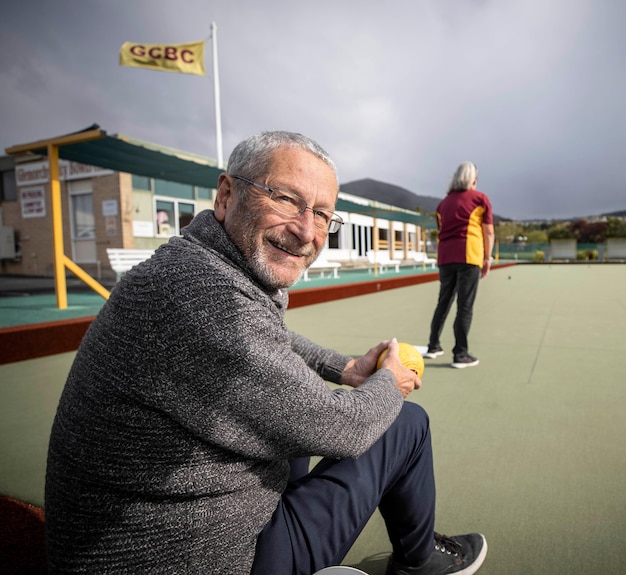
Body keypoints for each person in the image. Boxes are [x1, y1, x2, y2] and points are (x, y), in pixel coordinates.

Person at [45, 131, 488, 575]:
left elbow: (273, 341)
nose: (305, 231)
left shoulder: (192, 265)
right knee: (405, 424)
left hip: (145, 536)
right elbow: (344, 429)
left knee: (290, 411)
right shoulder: (211, 301)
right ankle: (420, 561)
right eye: (285, 199)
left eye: (322, 215)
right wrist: (388, 380)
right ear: (226, 195)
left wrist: (346, 367)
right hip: (202, 558)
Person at [424, 162, 494, 369]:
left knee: (443, 301)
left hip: (445, 257)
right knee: (465, 305)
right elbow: (488, 231)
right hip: (469, 255)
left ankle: (433, 346)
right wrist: (487, 258)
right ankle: (460, 354)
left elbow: (442, 230)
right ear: (473, 180)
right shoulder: (480, 199)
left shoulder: (443, 204)